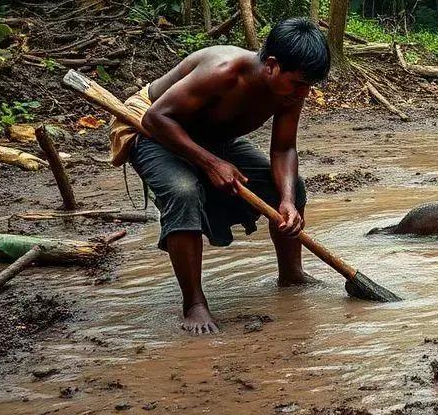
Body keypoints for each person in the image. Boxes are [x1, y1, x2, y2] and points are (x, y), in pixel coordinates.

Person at [108, 18, 330, 335]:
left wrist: (287, 201)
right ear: (272, 66)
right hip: (154, 127)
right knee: (183, 191)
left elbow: (283, 149)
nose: (304, 93)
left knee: (291, 187)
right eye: (299, 84)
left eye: (309, 85)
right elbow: (156, 117)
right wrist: (211, 164)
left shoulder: (291, 90)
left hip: (210, 136)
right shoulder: (222, 71)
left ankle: (292, 275)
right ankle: (194, 302)